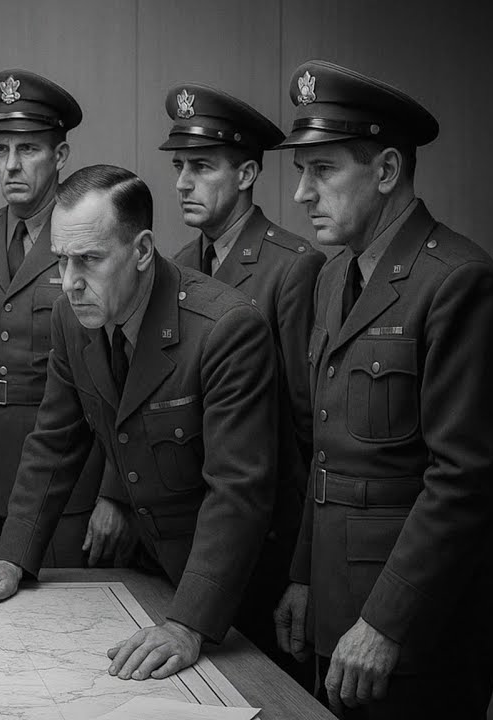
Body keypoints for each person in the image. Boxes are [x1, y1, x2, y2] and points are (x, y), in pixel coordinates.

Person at [0, 165, 278, 682]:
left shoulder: (226, 329)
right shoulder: (72, 315)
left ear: (142, 250)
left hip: (225, 597)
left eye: (89, 260)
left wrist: (188, 624)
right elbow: (54, 443)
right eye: (61, 259)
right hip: (148, 575)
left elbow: (237, 492)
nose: (69, 282)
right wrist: (11, 558)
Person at [272, 60, 493, 718]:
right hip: (335, 605)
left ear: (388, 171)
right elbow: (324, 454)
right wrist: (302, 575)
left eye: (322, 170)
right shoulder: (331, 277)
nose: (302, 194)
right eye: (301, 172)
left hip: (413, 628)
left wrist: (385, 622)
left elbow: (464, 479)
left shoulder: (456, 280)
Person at [159, 81, 324, 682]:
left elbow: (309, 431)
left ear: (248, 173)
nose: (183, 183)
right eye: (179, 167)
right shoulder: (178, 265)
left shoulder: (292, 266)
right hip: (197, 534)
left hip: (269, 539)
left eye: (202, 167)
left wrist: (304, 570)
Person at [0, 69, 124, 570]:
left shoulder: (89, 240)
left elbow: (123, 377)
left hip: (64, 483)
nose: (11, 164)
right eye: (1, 149)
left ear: (60, 155)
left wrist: (114, 490)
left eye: (27, 149)